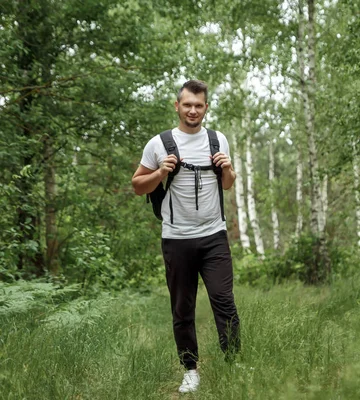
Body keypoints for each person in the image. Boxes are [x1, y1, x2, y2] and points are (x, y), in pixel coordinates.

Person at [131, 79, 240, 393]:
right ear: (177, 106)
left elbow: (228, 184)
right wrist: (161, 172)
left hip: (213, 235)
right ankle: (190, 369)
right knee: (182, 307)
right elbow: (138, 185)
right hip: (176, 238)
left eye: (199, 105)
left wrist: (228, 168)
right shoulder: (159, 143)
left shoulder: (218, 140)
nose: (193, 110)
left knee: (224, 301)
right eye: (187, 104)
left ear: (206, 108)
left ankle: (232, 363)